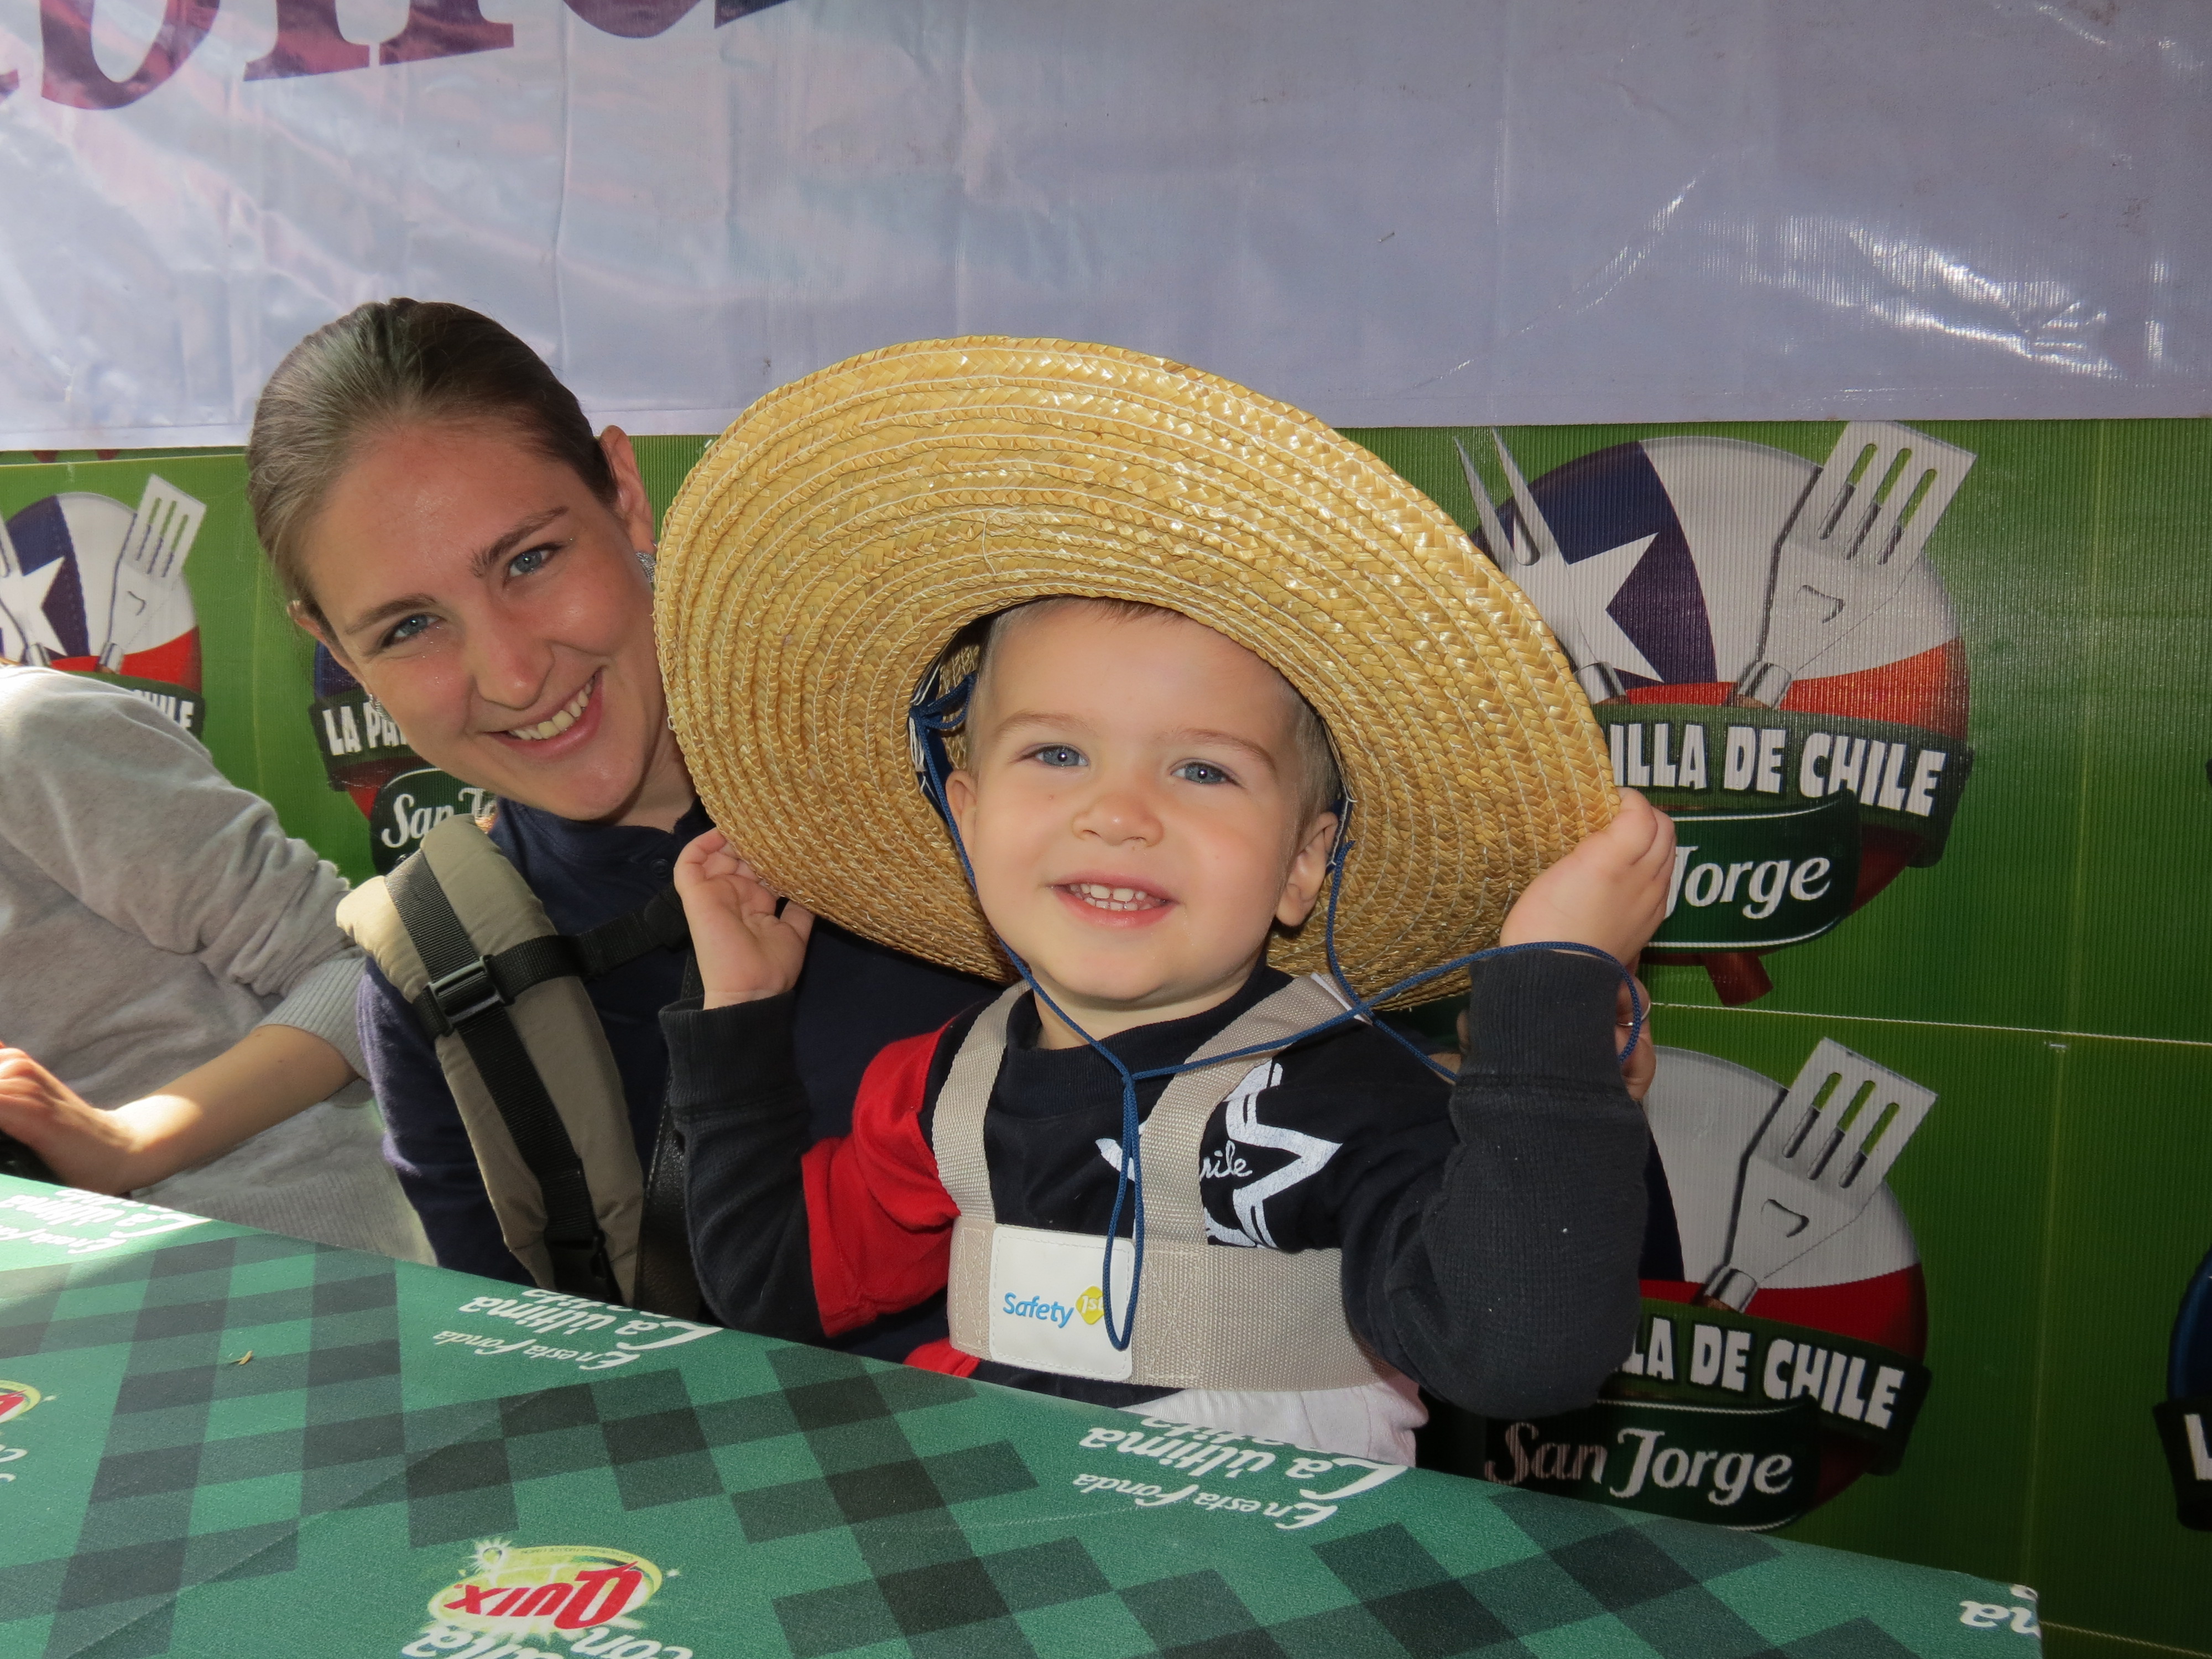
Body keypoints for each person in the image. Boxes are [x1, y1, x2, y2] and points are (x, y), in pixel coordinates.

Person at [649, 337, 1672, 1463]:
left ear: (1304, 863)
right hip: (1005, 1529)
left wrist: (1548, 1009)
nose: (1120, 814)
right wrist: (740, 1015)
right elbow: (771, 1290)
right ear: (967, 815)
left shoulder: (1350, 1098)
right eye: (1056, 755)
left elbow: (1521, 1354)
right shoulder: (942, 1090)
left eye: (1201, 770)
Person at [244, 300, 989, 1332]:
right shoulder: (443, 981)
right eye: (410, 626)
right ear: (334, 647)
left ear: (626, 495)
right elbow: (536, 1373)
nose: (512, 674)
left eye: (530, 560)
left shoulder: (954, 782)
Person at [0, 662, 430, 1260]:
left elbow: (360, 967)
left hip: (263, 1259)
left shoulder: (30, 732)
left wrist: (127, 1142)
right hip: (49, 1270)